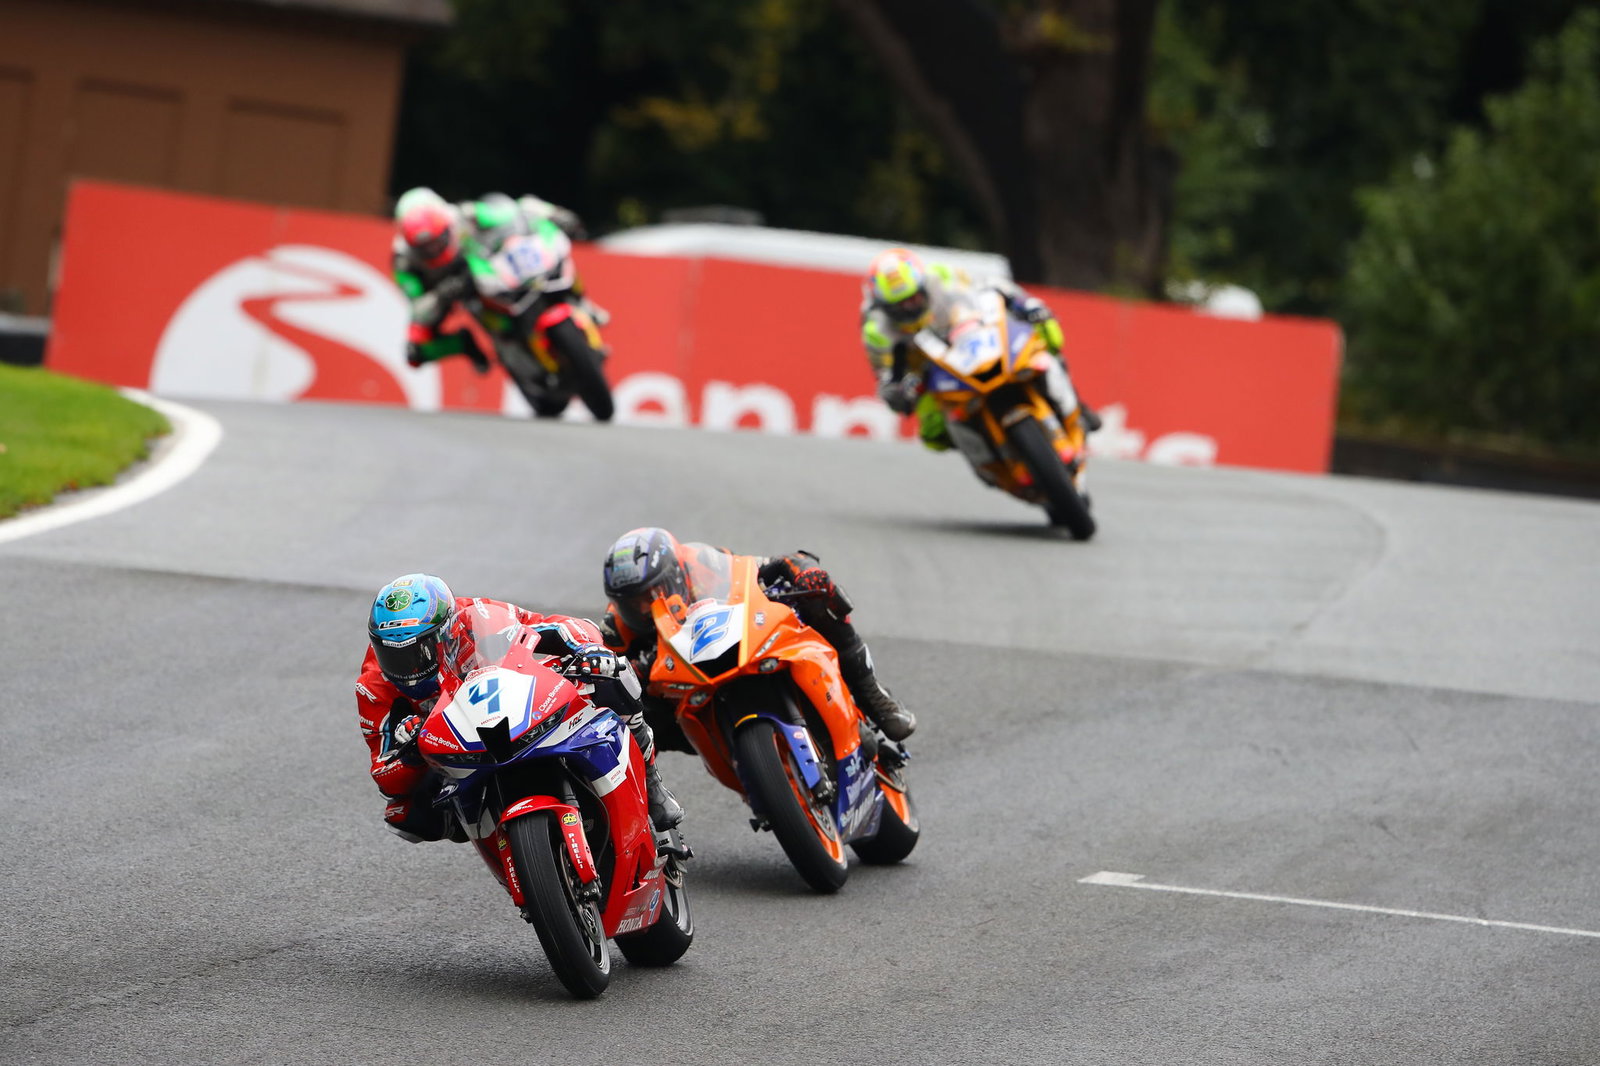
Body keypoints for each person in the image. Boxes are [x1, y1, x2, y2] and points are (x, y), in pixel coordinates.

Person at [357, 572, 682, 843]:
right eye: (392, 655)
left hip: (513, 707)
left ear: (445, 634)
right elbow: (384, 777)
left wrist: (587, 648)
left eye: (419, 653)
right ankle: (500, 836)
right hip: (449, 750)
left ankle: (650, 779)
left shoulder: (477, 616)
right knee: (405, 818)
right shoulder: (374, 687)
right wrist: (411, 753)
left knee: (614, 671)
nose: (407, 669)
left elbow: (553, 625)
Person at [597, 528, 916, 744]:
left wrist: (804, 571)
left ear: (676, 572)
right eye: (633, 603)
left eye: (653, 592)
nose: (645, 607)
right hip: (685, 696)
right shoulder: (617, 626)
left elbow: (771, 565)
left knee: (818, 599)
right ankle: (653, 810)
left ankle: (875, 697)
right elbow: (603, 669)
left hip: (741, 635)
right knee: (621, 722)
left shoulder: (702, 563)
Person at [858, 247, 1101, 450]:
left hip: (969, 339)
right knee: (933, 433)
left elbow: (990, 287)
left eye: (914, 298)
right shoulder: (876, 329)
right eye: (900, 304)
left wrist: (1027, 305)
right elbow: (885, 378)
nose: (910, 307)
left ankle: (1076, 405)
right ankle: (986, 448)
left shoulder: (941, 277)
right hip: (928, 369)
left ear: (922, 285)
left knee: (1048, 334)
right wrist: (898, 392)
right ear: (882, 304)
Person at [391, 186, 602, 373]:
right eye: (425, 248)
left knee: (555, 258)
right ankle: (465, 344)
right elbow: (417, 308)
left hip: (492, 269)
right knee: (416, 352)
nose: (433, 249)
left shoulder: (466, 215)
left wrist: (553, 213)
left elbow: (518, 210)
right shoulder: (404, 261)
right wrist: (441, 294)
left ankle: (583, 302)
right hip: (454, 291)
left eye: (437, 241)